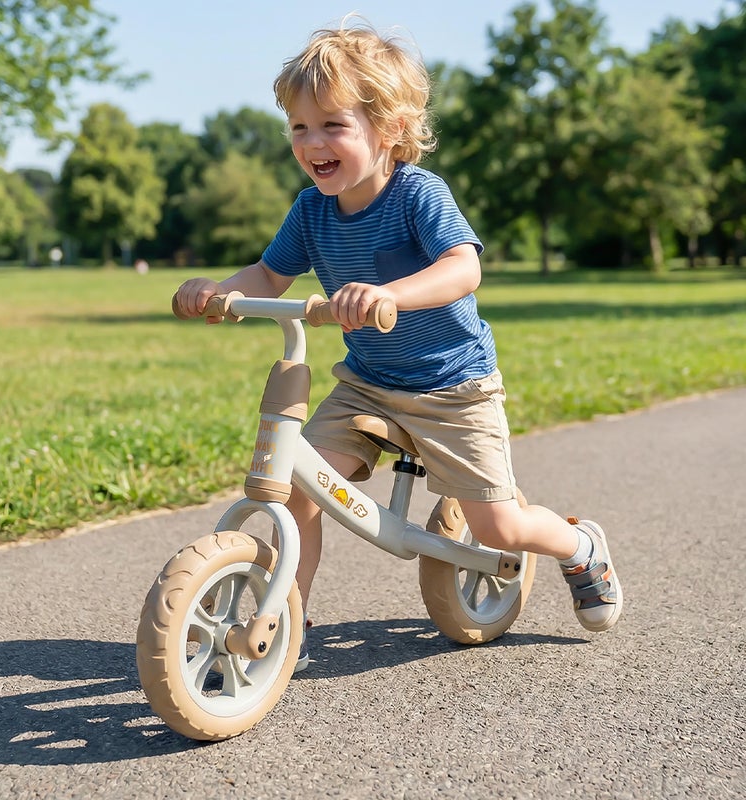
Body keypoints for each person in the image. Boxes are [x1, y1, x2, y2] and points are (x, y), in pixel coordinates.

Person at [173, 18, 623, 670]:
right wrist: (218, 291)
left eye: (333, 125)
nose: (312, 142)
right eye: (300, 127)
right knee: (299, 487)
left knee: (500, 529)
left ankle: (579, 547)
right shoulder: (310, 211)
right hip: (369, 385)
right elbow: (269, 275)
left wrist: (392, 294)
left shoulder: (418, 195)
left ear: (388, 130)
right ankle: (284, 624)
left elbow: (463, 267)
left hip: (453, 388)